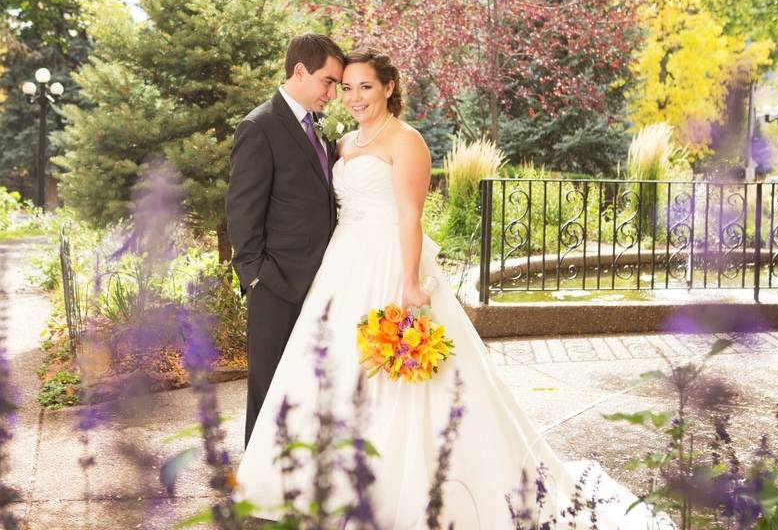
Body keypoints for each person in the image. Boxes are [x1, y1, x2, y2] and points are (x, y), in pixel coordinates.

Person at [235, 48, 662, 528]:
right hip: (341, 265)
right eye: (346, 87)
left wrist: (410, 282)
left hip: (391, 264)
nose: (352, 97)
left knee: (404, 384)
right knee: (329, 369)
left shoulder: (407, 141)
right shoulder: (344, 143)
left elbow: (411, 217)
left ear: (389, 87)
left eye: (364, 87)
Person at [226, 32, 345, 446]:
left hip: (321, 281)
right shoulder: (259, 126)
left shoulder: (317, 127)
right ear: (300, 71)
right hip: (276, 284)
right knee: (269, 386)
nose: (333, 92)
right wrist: (257, 276)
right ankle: (259, 490)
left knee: (306, 387)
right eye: (328, 81)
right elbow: (242, 212)